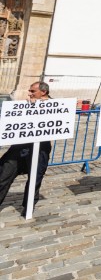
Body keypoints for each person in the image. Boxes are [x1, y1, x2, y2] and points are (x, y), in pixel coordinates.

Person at [0, 82, 54, 214]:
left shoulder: (54, 105)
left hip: (40, 147)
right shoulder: (26, 103)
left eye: (32, 91)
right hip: (19, 146)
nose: (29, 93)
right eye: (29, 91)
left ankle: (28, 206)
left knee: (35, 177)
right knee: (3, 173)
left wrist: (36, 107)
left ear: (43, 92)